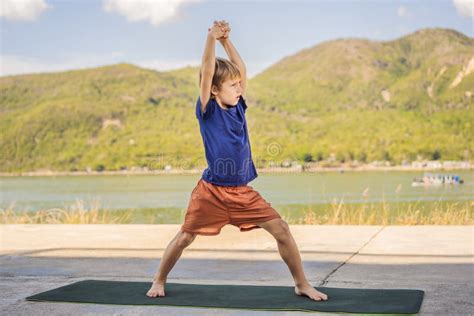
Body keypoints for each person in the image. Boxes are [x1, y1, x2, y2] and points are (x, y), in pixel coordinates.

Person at [146, 20, 328, 302]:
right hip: (211, 192)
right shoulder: (207, 110)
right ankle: (159, 279)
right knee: (185, 237)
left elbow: (240, 68)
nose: (240, 87)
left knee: (281, 229)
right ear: (215, 90)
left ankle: (301, 283)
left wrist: (226, 41)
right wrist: (210, 38)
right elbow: (207, 72)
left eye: (240, 84)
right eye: (233, 85)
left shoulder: (239, 107)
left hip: (242, 191)